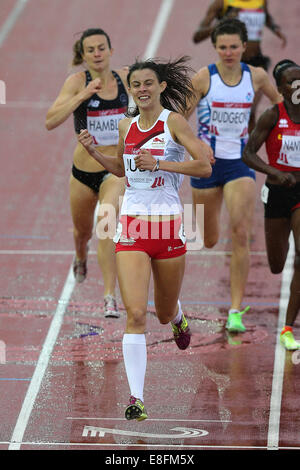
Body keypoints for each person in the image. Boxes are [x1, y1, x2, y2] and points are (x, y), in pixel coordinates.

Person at [78, 56, 214, 420]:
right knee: (135, 313)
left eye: (148, 83)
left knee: (163, 312)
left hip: (168, 227)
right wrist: (94, 152)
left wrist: (163, 164)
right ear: (131, 90)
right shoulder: (126, 126)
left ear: (161, 87)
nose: (141, 89)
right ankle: (136, 399)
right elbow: (124, 170)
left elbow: (203, 166)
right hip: (133, 228)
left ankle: (179, 317)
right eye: (136, 84)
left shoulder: (175, 123)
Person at [186, 18, 282, 334]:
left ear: (244, 46)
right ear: (215, 48)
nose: (228, 52)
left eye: (233, 46)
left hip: (240, 163)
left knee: (240, 233)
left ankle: (235, 310)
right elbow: (177, 119)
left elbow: (282, 107)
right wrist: (198, 143)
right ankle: (233, 304)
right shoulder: (203, 78)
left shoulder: (255, 77)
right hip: (207, 165)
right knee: (210, 238)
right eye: (222, 47)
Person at [45, 28, 129, 318]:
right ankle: (80, 255)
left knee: (107, 222)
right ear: (83, 55)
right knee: (82, 233)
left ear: (110, 50)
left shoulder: (125, 78)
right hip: (83, 172)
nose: (96, 53)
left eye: (101, 48)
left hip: (114, 172)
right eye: (90, 49)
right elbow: (51, 121)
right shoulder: (76, 82)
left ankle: (109, 296)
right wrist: (82, 95)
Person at [243, 59, 300, 350]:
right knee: (277, 265)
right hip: (277, 193)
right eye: (292, 81)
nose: (298, 86)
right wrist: (275, 172)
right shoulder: (271, 116)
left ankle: (288, 328)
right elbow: (248, 154)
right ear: (280, 88)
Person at [192, 0, 287, 131]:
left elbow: (266, 16)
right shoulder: (223, 3)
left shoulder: (261, 1)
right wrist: (223, 22)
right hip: (232, 66)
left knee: (250, 111)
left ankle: (247, 149)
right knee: (236, 111)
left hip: (257, 62)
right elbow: (197, 36)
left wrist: (275, 28)